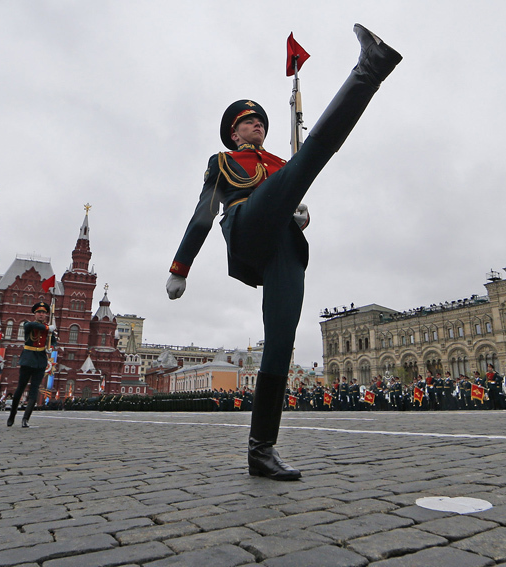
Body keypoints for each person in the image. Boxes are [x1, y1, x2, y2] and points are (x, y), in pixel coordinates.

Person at [165, 24, 401, 480]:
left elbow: (293, 201)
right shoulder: (223, 162)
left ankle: (262, 450)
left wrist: (296, 212)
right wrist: (181, 267)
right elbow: (203, 214)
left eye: (262, 123)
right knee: (312, 156)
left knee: (282, 341)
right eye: (250, 122)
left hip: (285, 247)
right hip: (246, 227)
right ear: (234, 133)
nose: (259, 126)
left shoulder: (278, 164)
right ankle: (370, 68)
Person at [8, 301, 57, 427]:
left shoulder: (48, 329)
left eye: (43, 313)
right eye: (39, 312)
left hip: (40, 360)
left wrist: (50, 347)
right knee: (20, 388)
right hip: (28, 359)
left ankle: (26, 419)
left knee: (34, 390)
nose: (41, 315)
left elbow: (54, 341)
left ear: (46, 315)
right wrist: (48, 328)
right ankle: (12, 415)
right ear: (35, 314)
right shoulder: (28, 324)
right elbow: (34, 326)